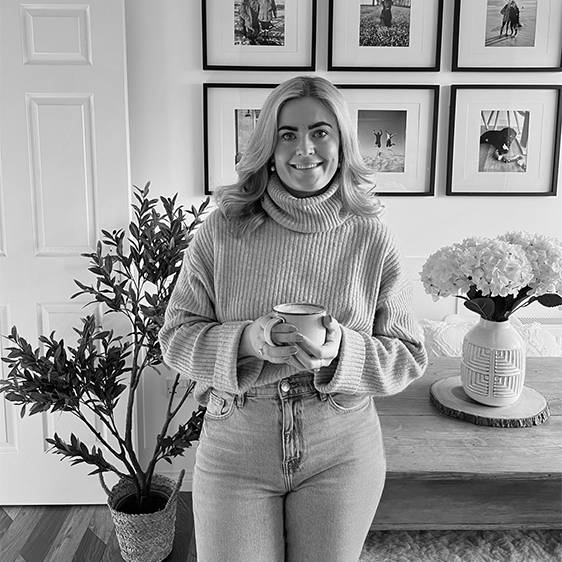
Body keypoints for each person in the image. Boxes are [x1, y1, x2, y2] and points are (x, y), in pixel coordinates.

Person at [159, 75, 427, 562]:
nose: (305, 148)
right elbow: (175, 338)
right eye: (288, 134)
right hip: (237, 440)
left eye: (320, 131)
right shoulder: (223, 230)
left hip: (341, 446)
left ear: (342, 140)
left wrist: (340, 348)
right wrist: (246, 340)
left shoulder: (371, 236)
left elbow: (407, 356)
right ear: (269, 145)